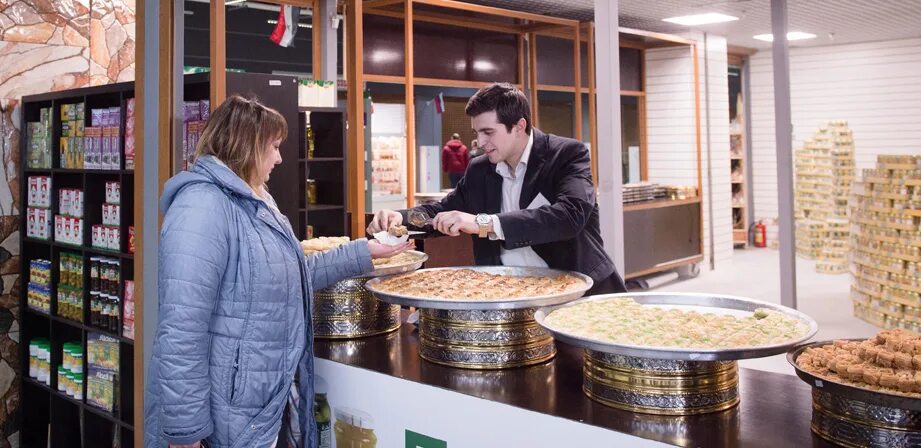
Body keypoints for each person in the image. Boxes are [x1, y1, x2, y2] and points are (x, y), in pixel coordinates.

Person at [144, 96, 412, 448]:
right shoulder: (201, 207)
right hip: (222, 418)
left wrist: (366, 252)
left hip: (256, 407)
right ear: (247, 146)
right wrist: (185, 433)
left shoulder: (257, 199)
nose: (280, 157)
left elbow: (294, 274)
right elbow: (181, 330)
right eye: (274, 146)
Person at [369, 83, 626, 295]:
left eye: (488, 132)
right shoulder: (480, 169)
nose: (480, 142)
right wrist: (400, 218)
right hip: (508, 294)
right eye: (477, 132)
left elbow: (570, 216)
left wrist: (484, 223)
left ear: (519, 126)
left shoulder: (567, 155)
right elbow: (441, 211)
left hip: (577, 292)